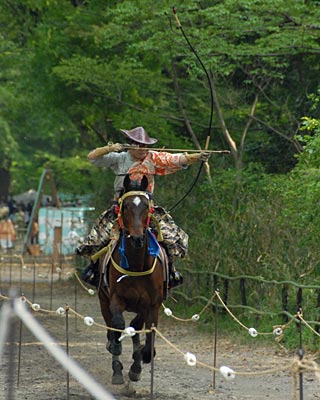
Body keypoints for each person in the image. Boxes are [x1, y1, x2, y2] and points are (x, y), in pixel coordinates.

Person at [76, 126, 210, 288]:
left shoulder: (153, 158)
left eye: (145, 145)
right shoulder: (120, 158)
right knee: (98, 237)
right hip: (121, 206)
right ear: (130, 144)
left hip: (146, 207)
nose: (142, 149)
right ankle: (95, 270)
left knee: (171, 237)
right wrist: (110, 148)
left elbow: (176, 159)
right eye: (138, 144)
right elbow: (92, 157)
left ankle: (171, 270)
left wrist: (196, 156)